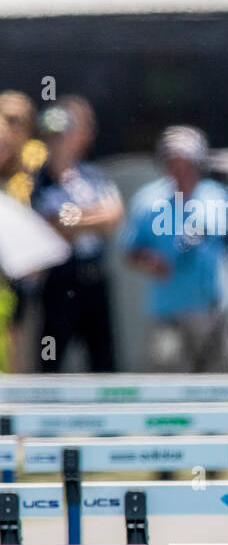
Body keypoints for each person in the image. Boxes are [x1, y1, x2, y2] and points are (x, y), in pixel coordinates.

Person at [121, 126, 228, 372]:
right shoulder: (147, 200)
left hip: (214, 309)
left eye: (186, 161)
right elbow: (130, 250)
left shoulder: (220, 197)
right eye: (172, 160)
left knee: (220, 379)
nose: (179, 168)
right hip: (168, 311)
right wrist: (150, 262)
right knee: (167, 376)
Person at [31, 104, 124, 371]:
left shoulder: (93, 175)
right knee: (51, 358)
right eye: (50, 136)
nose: (57, 143)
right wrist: (91, 218)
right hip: (60, 278)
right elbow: (51, 224)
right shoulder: (38, 180)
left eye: (61, 135)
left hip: (95, 276)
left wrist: (73, 219)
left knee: (103, 358)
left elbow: (114, 216)